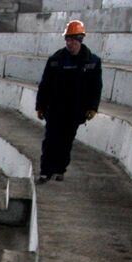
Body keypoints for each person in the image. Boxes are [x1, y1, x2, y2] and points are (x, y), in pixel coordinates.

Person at [34, 20, 102, 182]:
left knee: (66, 141)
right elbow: (45, 84)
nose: (68, 43)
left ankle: (59, 169)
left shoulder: (92, 62)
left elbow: (96, 87)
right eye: (67, 39)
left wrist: (93, 107)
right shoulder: (55, 60)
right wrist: (40, 106)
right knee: (50, 140)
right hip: (55, 108)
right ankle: (46, 171)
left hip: (75, 109)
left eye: (72, 39)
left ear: (80, 39)